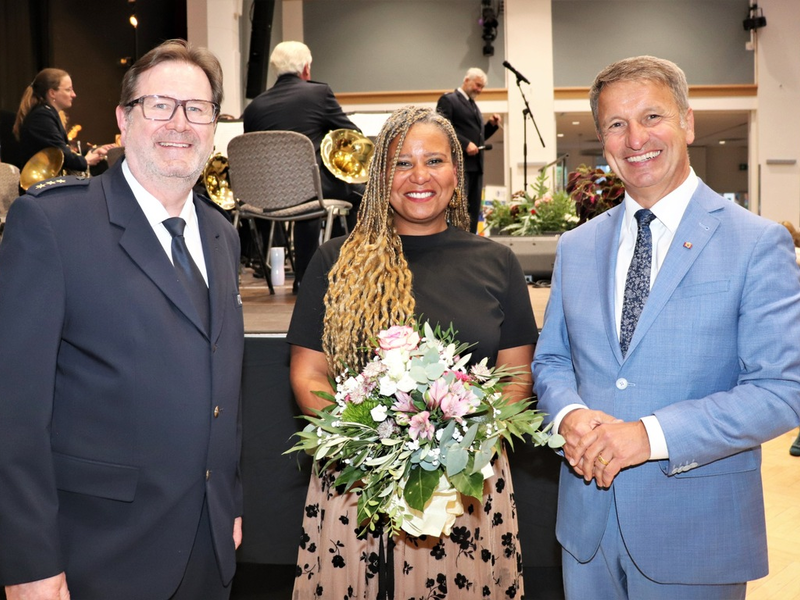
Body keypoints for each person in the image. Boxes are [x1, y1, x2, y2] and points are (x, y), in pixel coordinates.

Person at [532, 55, 800, 599]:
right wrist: (569, 413)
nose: (635, 138)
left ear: (688, 122)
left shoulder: (757, 243)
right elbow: (553, 360)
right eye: (615, 124)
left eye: (652, 117)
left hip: (696, 533)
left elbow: (781, 390)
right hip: (586, 531)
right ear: (602, 137)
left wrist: (649, 436)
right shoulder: (576, 247)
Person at [0, 40, 245, 600]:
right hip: (99, 555)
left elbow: (225, 384)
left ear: (213, 124)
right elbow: (12, 415)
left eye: (197, 108)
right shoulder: (53, 225)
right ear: (123, 117)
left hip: (209, 548)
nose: (179, 123)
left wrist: (229, 499)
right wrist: (28, 561)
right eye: (160, 105)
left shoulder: (222, 236)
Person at [287, 106, 537, 598]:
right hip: (359, 484)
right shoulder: (334, 260)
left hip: (467, 485)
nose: (419, 176)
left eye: (435, 161)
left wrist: (462, 442)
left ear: (455, 172)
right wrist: (366, 448)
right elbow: (309, 371)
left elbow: (517, 375)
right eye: (401, 163)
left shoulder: (497, 261)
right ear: (381, 175)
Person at [242, 41, 364, 291]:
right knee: (360, 194)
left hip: (265, 197)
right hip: (311, 192)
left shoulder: (254, 107)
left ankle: (303, 276)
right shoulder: (318, 94)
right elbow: (352, 135)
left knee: (307, 195)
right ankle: (348, 272)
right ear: (306, 68)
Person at [436, 68, 502, 233]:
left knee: (473, 209)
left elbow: (478, 139)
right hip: (459, 165)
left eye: (482, 87)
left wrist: (491, 126)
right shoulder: (449, 100)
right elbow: (443, 128)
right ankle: (457, 242)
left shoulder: (474, 106)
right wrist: (464, 143)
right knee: (460, 207)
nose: (479, 90)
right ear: (466, 80)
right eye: (477, 85)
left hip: (476, 166)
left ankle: (471, 240)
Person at [14, 68, 114, 173]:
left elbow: (63, 150)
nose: (73, 94)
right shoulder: (41, 117)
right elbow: (59, 152)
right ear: (52, 93)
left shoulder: (46, 114)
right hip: (41, 187)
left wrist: (92, 152)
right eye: (68, 89)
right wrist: (85, 161)